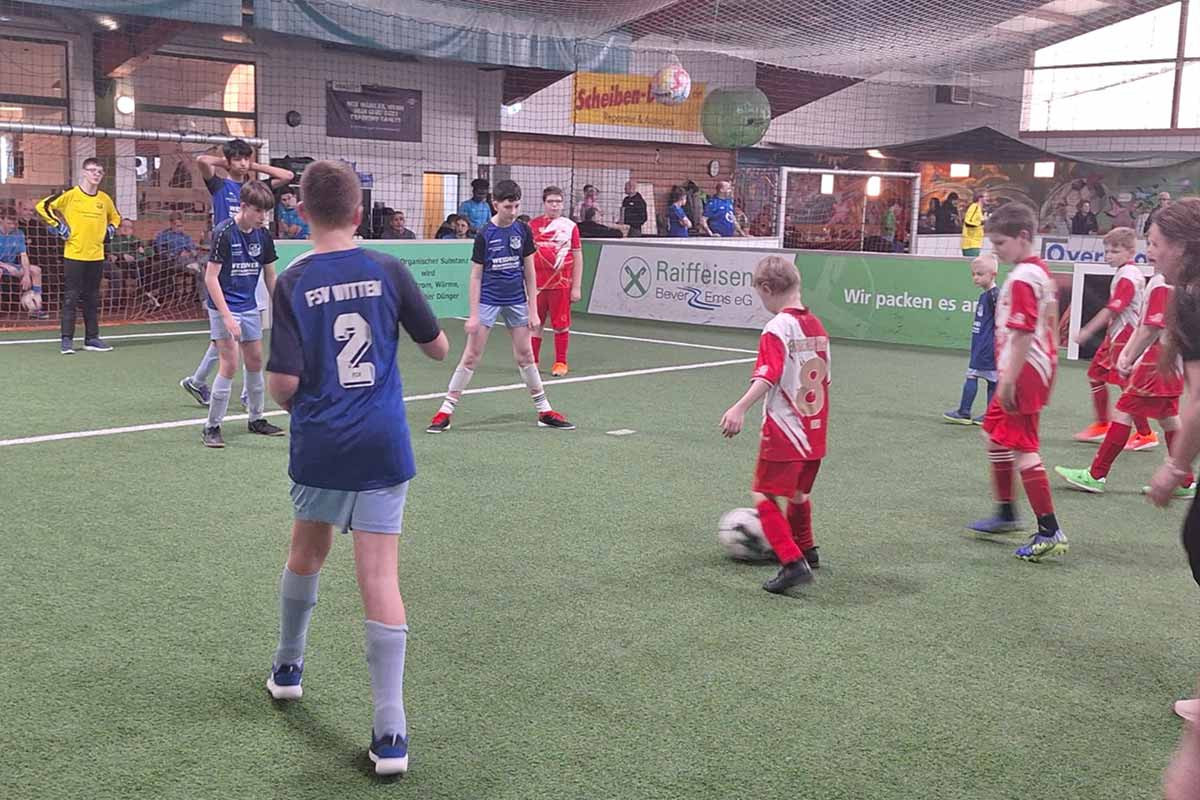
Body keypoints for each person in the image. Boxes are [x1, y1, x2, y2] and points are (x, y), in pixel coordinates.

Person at [263, 159, 449, 776]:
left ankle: (288, 669)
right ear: (358, 211)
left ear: (302, 214)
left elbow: (282, 386)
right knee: (380, 577)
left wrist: (308, 401)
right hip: (382, 442)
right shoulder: (388, 266)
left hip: (321, 444)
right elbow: (436, 346)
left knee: (306, 554)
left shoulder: (291, 282)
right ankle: (391, 732)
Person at [426, 179, 575, 433]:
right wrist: (474, 314)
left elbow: (529, 270)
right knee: (472, 355)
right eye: (508, 206)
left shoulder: (523, 230)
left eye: (517, 206)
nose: (513, 211)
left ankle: (544, 410)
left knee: (525, 355)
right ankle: (445, 412)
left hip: (517, 300)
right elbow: (475, 275)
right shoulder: (485, 233)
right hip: (488, 300)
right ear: (495, 204)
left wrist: (533, 309)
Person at [719, 255, 829, 594]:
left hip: (786, 429)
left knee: (763, 492)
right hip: (815, 428)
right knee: (798, 492)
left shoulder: (777, 328)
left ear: (767, 289)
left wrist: (739, 408)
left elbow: (768, 374)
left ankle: (791, 562)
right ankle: (807, 549)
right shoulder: (816, 325)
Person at [1054, 234, 1193, 497]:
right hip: (1169, 361)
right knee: (1168, 419)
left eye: (1155, 244)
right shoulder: (1172, 281)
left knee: (1124, 411)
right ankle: (1185, 481)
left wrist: (1128, 354)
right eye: (1149, 244)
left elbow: (1151, 326)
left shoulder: (1162, 283)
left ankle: (1096, 475)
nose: (1149, 250)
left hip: (1155, 360)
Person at [967, 202, 1067, 562]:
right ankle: (1007, 511)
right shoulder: (1038, 270)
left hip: (1023, 372)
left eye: (1000, 243)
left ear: (1023, 237)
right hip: (1031, 369)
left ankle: (1049, 529)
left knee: (1024, 449)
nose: (995, 250)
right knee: (993, 434)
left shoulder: (1024, 277)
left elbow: (1023, 333)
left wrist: (1008, 381)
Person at [1140, 199, 1200, 725]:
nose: (1151, 253)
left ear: (1182, 247)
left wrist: (1175, 467)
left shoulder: (1192, 298)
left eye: (1156, 244)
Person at [181, 139, 293, 406]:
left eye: (247, 159)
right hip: (225, 259)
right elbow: (201, 162)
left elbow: (287, 175)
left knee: (233, 334)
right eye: (239, 159)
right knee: (233, 333)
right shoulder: (220, 185)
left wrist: (251, 165)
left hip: (250, 259)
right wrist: (228, 162)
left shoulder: (255, 191)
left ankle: (198, 382)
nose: (243, 164)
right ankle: (240, 393)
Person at [200, 180, 284, 447]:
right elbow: (211, 278)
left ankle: (256, 419)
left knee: (256, 361)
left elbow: (270, 274)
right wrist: (226, 316)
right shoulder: (224, 232)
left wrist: (282, 307)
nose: (263, 218)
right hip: (224, 306)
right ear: (244, 207)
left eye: (266, 212)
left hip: (248, 306)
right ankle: (211, 427)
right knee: (230, 364)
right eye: (258, 211)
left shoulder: (264, 235)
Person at [1070, 227, 1156, 449]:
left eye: (1115, 251)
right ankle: (1102, 424)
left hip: (1125, 336)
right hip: (1115, 335)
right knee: (1096, 375)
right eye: (1106, 250)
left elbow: (1113, 309)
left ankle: (1145, 434)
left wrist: (1087, 331)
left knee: (1127, 385)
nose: (1108, 255)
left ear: (1130, 252)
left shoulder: (1128, 276)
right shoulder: (1125, 272)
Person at [36, 157, 121, 354]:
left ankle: (92, 338)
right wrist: (58, 225)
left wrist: (111, 228)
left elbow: (116, 217)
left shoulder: (104, 199)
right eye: (93, 171)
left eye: (100, 172)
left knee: (92, 297)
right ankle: (66, 340)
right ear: (84, 172)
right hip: (74, 254)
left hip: (96, 255)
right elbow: (43, 206)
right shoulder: (71, 195)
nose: (96, 175)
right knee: (71, 298)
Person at [529, 186, 584, 377]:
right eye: (551, 202)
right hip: (537, 285)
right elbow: (525, 257)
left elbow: (577, 257)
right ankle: (532, 362)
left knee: (561, 324)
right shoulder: (532, 226)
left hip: (561, 284)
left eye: (558, 202)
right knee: (535, 324)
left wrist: (576, 287)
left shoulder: (570, 227)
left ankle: (561, 362)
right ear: (544, 203)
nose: (555, 205)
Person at [943, 254, 999, 424]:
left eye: (980, 274)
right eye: (973, 274)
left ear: (993, 274)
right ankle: (990, 416)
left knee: (974, 375)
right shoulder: (986, 295)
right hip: (982, 345)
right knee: (993, 378)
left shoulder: (994, 296)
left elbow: (1002, 320)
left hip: (987, 346)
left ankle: (964, 412)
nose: (975, 277)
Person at [0, 208, 45, 318]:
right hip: (3, 266)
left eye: (14, 223)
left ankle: (35, 307)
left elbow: (24, 256)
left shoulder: (18, 233)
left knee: (36, 270)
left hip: (11, 266)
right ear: (1, 220)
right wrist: (4, 265)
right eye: (9, 223)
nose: (12, 226)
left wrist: (26, 275)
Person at [108, 218, 158, 311]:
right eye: (124, 226)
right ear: (119, 228)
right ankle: (146, 295)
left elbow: (150, 252)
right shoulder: (115, 240)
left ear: (132, 229)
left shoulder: (136, 239)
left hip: (140, 263)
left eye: (128, 227)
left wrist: (142, 250)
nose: (126, 229)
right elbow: (110, 252)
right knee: (140, 266)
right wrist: (122, 255)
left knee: (150, 266)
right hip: (123, 264)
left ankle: (148, 294)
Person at [961, 190, 987, 256]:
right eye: (986, 196)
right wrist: (981, 223)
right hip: (971, 243)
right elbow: (967, 222)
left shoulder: (978, 208)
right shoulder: (974, 207)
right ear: (980, 198)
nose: (988, 198)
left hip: (975, 242)